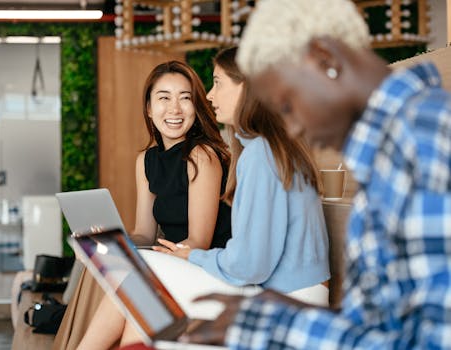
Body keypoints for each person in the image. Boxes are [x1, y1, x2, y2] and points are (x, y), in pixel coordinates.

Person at [181, 0, 451, 348]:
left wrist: (275, 327)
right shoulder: (398, 143)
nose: (291, 125)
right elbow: (386, 326)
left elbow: (433, 338)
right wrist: (285, 316)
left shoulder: (424, 140)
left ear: (325, 60)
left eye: (288, 102)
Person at [112, 46, 331, 348]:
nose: (210, 96)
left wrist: (193, 255)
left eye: (218, 83)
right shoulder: (265, 148)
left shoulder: (260, 155)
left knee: (139, 277)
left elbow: (250, 265)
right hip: (285, 290)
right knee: (138, 286)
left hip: (287, 300)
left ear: (246, 88)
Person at [76, 60, 232, 350]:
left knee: (131, 282)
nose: (174, 109)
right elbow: (145, 233)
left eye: (185, 98)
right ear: (148, 108)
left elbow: (199, 242)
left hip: (201, 266)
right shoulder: (146, 161)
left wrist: (147, 259)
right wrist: (112, 240)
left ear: (197, 108)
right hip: (165, 265)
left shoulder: (202, 156)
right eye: (164, 98)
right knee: (117, 275)